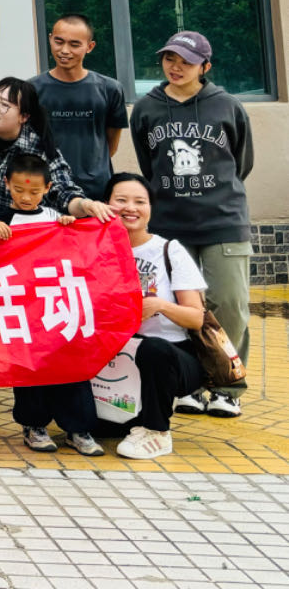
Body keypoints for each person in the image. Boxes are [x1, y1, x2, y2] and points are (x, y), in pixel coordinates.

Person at [129, 30, 253, 418]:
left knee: (229, 304)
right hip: (170, 226)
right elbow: (149, 166)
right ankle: (189, 384)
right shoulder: (146, 109)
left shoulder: (228, 105)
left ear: (205, 66)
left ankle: (227, 386)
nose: (176, 67)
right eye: (170, 59)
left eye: (187, 61)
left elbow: (241, 162)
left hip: (223, 220)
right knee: (177, 308)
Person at [0, 155, 103, 456]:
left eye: (34, 191)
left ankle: (78, 428)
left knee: (71, 365)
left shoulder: (54, 216)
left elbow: (74, 250)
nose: (26, 197)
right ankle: (34, 425)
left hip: (57, 306)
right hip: (23, 310)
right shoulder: (0, 219)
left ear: (48, 188)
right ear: (6, 184)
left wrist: (68, 224)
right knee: (29, 369)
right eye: (19, 190)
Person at [104, 173, 211, 460]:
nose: (131, 208)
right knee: (99, 428)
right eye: (121, 200)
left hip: (170, 355)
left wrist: (160, 306)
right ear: (105, 204)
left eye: (140, 202)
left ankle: (157, 432)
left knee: (153, 348)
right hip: (117, 357)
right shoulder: (97, 248)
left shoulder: (168, 250)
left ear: (151, 208)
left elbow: (196, 318)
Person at [0, 77, 113, 230]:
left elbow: (63, 191)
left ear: (24, 116)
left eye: (4, 105)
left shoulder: (39, 147)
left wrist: (85, 205)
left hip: (14, 241)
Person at [30, 14, 127, 201]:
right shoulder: (31, 89)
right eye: (59, 41)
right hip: (46, 189)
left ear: (90, 47)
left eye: (74, 44)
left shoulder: (110, 89)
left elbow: (111, 144)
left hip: (97, 191)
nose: (64, 50)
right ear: (50, 39)